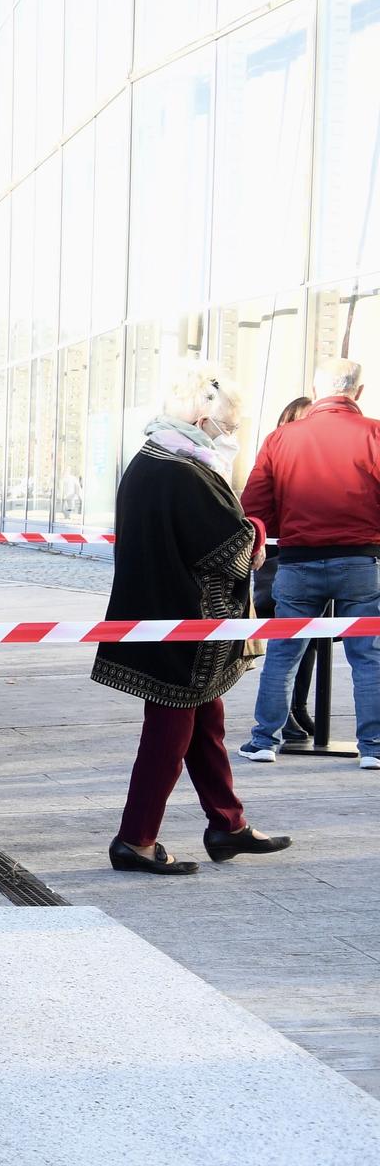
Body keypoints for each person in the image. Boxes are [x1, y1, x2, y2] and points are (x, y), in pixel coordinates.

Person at [93, 364, 294, 874]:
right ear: (204, 416)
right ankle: (136, 838)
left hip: (168, 616)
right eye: (227, 427)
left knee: (206, 722)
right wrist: (254, 528)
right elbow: (226, 547)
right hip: (183, 623)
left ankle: (227, 824)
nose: (228, 437)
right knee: (170, 731)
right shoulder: (180, 470)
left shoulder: (157, 456)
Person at [240, 358, 380, 770]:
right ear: (357, 391)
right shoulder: (374, 434)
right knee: (367, 656)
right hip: (360, 562)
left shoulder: (282, 439)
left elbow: (256, 506)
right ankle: (372, 747)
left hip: (298, 562)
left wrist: (293, 525)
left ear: (316, 391)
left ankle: (264, 740)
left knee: (284, 653)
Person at [247, 396, 320, 748]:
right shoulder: (279, 455)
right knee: (289, 643)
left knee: (312, 644)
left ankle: (299, 708)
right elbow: (258, 506)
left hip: (305, 556)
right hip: (280, 559)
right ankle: (283, 716)